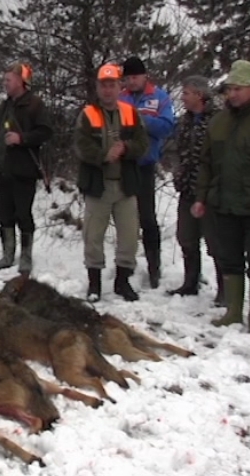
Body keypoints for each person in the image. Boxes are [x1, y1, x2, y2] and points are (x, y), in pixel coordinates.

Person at [74, 63, 149, 302]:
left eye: (112, 85)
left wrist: (126, 148)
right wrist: (103, 156)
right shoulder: (87, 114)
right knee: (93, 237)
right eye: (104, 85)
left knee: (128, 236)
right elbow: (81, 145)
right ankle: (94, 284)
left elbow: (143, 144)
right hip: (99, 185)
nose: (108, 90)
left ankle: (122, 281)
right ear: (97, 87)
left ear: (120, 86)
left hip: (125, 184)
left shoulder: (130, 113)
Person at [193, 59, 250, 336]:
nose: (232, 94)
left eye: (238, 89)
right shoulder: (219, 122)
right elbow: (205, 163)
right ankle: (232, 312)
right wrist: (201, 196)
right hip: (225, 203)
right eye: (230, 89)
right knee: (229, 258)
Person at [0, 63, 53, 274]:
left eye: (9, 79)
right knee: (4, 214)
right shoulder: (5, 105)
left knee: (23, 214)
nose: (5, 83)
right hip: (3, 169)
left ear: (20, 81)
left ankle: (25, 256)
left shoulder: (35, 105)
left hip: (24, 170)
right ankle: (8, 254)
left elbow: (46, 131)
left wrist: (21, 138)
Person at [119, 56, 176, 289]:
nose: (131, 82)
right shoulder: (121, 97)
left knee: (147, 217)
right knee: (124, 218)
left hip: (145, 165)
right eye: (128, 78)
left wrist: (140, 120)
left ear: (144, 76)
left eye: (135, 77)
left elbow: (168, 127)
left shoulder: (159, 97)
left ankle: (154, 267)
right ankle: (125, 265)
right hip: (122, 164)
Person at [168, 76, 221, 302]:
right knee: (186, 237)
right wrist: (177, 172)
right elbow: (175, 150)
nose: (183, 97)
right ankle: (190, 282)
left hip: (211, 191)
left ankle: (225, 291)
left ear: (199, 95)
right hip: (187, 189)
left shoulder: (218, 119)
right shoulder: (184, 121)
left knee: (216, 242)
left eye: (187, 93)